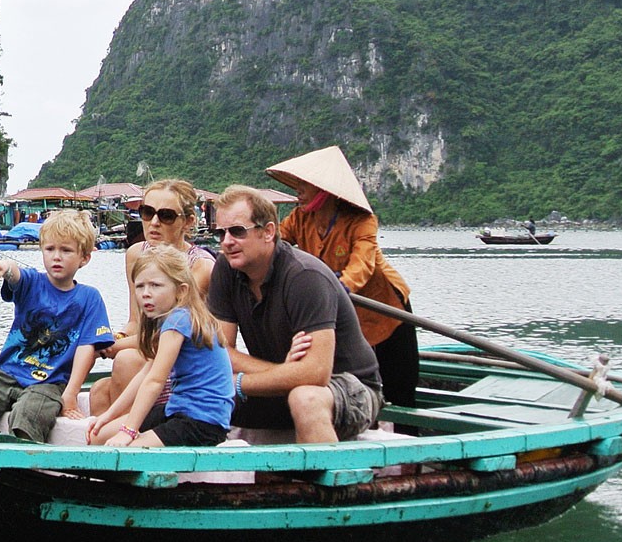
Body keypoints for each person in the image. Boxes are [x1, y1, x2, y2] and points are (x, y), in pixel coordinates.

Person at [207, 185, 385, 444]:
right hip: (282, 382)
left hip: (348, 386)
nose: (226, 242)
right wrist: (286, 371)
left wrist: (238, 383)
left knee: (306, 398)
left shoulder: (304, 277)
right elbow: (220, 353)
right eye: (219, 233)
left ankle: (333, 482)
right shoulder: (226, 268)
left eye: (237, 231)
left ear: (268, 232)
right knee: (190, 390)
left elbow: (316, 374)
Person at [266, 145, 419, 407]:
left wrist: (339, 289)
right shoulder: (300, 219)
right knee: (350, 381)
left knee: (400, 386)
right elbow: (274, 242)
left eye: (304, 185)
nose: (298, 191)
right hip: (344, 314)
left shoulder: (361, 220)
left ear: (323, 189)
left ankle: (411, 440)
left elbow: (363, 265)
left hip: (385, 310)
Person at [0, 209, 115, 442]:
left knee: (29, 415)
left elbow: (87, 349)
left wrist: (71, 394)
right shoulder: (32, 282)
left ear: (84, 258)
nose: (57, 257)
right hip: (6, 375)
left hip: (49, 382)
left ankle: (23, 463)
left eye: (66, 250)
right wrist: (5, 267)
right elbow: (16, 275)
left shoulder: (89, 298)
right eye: (50, 249)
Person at [87, 179, 216, 416]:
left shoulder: (200, 267)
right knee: (99, 390)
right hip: (148, 348)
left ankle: (128, 436)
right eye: (147, 213)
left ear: (187, 222)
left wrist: (114, 348)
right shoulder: (137, 254)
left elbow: (168, 335)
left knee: (125, 361)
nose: (154, 223)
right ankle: (108, 446)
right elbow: (137, 321)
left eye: (166, 216)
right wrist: (110, 339)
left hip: (180, 360)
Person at [87, 244, 234, 448]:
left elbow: (155, 381)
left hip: (201, 422)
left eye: (155, 285)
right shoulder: (167, 318)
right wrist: (108, 416)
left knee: (121, 450)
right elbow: (145, 374)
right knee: (98, 436)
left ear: (181, 291)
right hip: (176, 410)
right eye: (140, 286)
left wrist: (128, 432)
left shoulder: (179, 319)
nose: (146, 293)